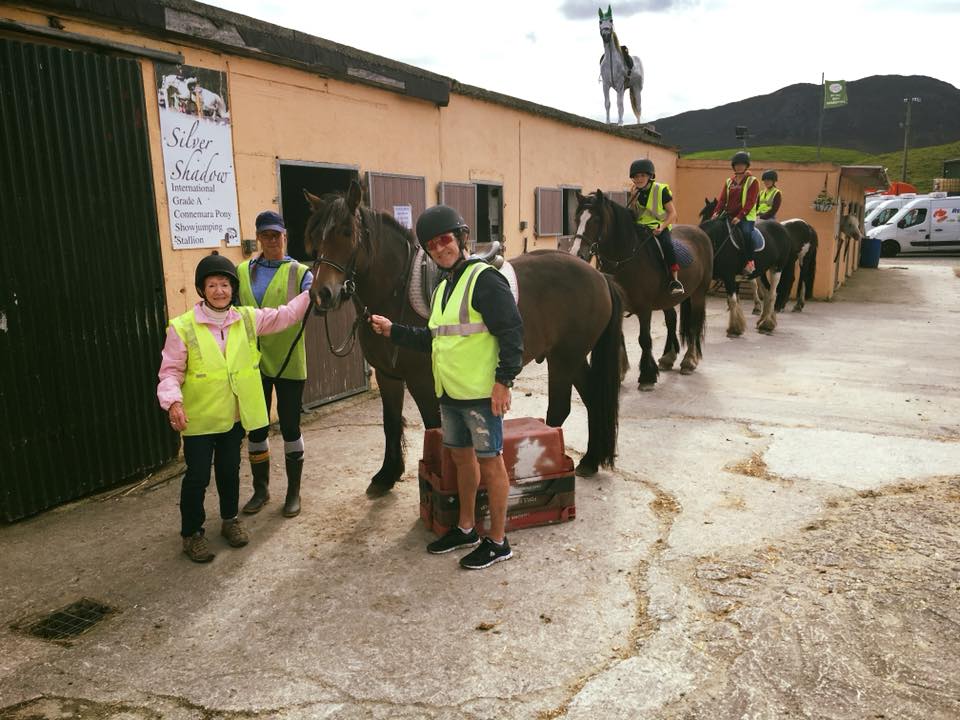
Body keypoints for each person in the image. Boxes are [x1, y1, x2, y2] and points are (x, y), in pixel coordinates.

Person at [368, 205, 523, 570]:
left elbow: (513, 332)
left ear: (461, 238)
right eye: (432, 245)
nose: (440, 248)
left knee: (491, 463)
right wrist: (394, 331)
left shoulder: (485, 279)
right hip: (450, 395)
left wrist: (504, 382)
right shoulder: (441, 290)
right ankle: (467, 527)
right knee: (461, 459)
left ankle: (498, 542)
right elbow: (435, 340)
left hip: (482, 395)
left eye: (445, 239)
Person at [157, 253, 312, 563]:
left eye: (225, 284)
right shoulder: (183, 327)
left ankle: (229, 520)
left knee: (229, 471)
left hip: (233, 417)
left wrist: (312, 290)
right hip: (199, 420)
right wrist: (172, 401)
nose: (219, 291)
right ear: (202, 290)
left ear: (233, 288)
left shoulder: (246, 318)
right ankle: (192, 534)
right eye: (212, 285)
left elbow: (285, 315)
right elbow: (170, 371)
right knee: (198, 477)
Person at [237, 211, 314, 519]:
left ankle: (293, 491)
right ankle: (261, 489)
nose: (271, 241)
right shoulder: (242, 271)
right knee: (256, 427)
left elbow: (316, 299)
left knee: (291, 425)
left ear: (285, 236)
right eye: (265, 236)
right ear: (258, 238)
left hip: (288, 359)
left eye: (276, 235)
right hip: (251, 362)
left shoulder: (300, 272)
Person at [626, 159, 684, 295]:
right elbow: (634, 215)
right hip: (640, 227)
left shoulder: (661, 190)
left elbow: (673, 213)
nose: (639, 179)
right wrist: (633, 201)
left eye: (642, 176)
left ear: (650, 176)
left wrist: (662, 227)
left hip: (659, 227)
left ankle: (674, 281)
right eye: (636, 176)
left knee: (667, 245)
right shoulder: (635, 192)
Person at [712, 150, 760, 276]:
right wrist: (716, 212)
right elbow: (722, 199)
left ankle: (750, 262)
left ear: (746, 166)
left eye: (742, 164)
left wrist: (740, 216)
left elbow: (750, 201)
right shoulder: (729, 181)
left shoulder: (752, 181)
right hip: (729, 214)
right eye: (737, 164)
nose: (739, 166)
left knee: (746, 233)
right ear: (733, 166)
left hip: (746, 217)